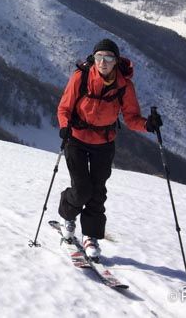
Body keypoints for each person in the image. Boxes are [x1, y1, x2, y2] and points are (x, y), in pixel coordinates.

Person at [56, 38, 162, 261]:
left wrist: (147, 125)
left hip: (104, 142)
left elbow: (131, 118)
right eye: (99, 57)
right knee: (82, 189)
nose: (103, 62)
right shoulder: (81, 77)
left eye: (108, 58)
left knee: (98, 191)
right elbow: (65, 107)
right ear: (93, 59)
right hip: (76, 138)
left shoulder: (124, 86)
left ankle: (90, 237)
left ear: (116, 61)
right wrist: (65, 127)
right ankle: (68, 214)